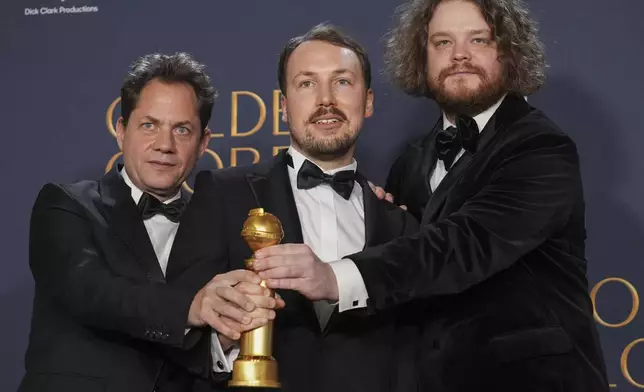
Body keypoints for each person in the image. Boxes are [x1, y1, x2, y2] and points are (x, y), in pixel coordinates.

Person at [251, 1, 610, 391]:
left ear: (509, 51)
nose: (459, 55)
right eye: (442, 42)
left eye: (478, 40)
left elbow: (464, 244)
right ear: (421, 59)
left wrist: (336, 276)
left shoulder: (540, 148)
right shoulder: (411, 162)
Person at [19, 52, 278, 392]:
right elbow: (91, 291)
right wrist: (193, 306)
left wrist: (228, 335)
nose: (165, 145)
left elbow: (196, 349)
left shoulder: (217, 223)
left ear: (203, 144)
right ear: (121, 130)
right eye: (149, 125)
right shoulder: (66, 204)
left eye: (182, 130)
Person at [190, 23, 419, 392]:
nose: (326, 99)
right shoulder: (222, 194)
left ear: (369, 101)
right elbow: (183, 342)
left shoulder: (404, 226)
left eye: (342, 82)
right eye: (307, 83)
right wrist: (228, 336)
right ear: (283, 105)